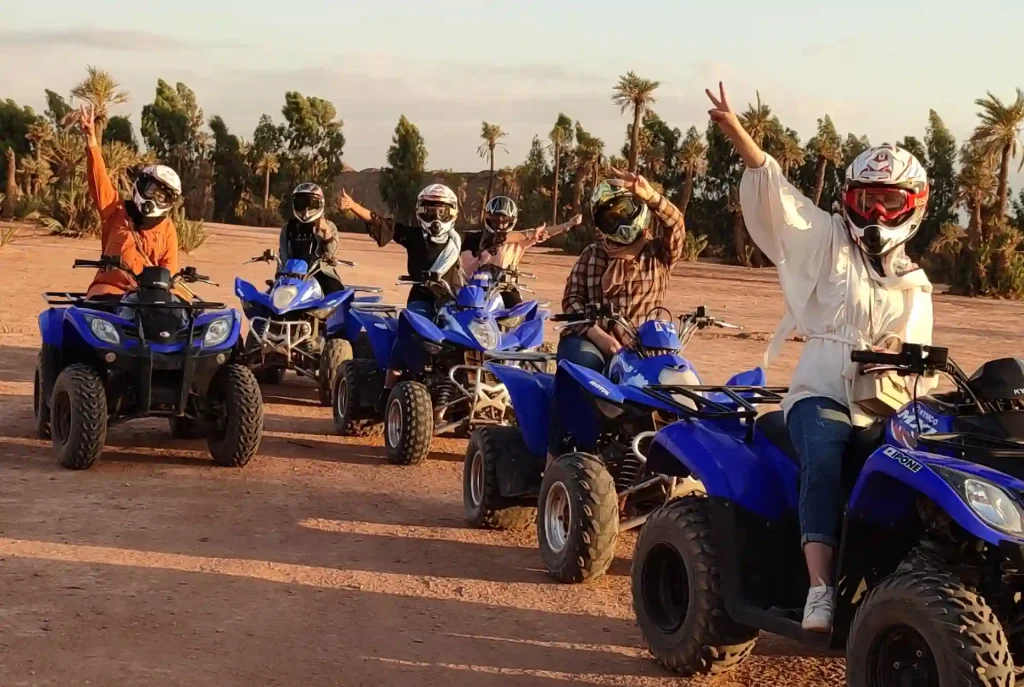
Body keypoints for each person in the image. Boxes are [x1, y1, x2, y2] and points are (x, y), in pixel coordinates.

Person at [707, 82, 935, 632]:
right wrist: (740, 136)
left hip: (884, 402)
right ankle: (819, 590)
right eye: (865, 199)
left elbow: (921, 358)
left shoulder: (916, 282)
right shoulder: (829, 240)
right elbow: (781, 200)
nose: (875, 212)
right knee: (825, 455)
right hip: (820, 389)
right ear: (848, 201)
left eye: (889, 202)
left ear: (913, 205)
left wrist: (900, 359)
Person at [548, 167, 687, 463]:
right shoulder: (592, 255)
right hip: (592, 339)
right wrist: (597, 333)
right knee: (579, 369)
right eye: (609, 217)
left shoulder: (658, 253)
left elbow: (676, 226)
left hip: (643, 347)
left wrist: (651, 197)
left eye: (623, 210)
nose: (619, 220)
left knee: (680, 385)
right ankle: (562, 454)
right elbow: (571, 300)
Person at [78, 104, 184, 302]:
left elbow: (169, 270)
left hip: (149, 295)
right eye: (152, 191)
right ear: (141, 185)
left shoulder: (167, 228)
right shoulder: (115, 210)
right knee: (96, 311)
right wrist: (91, 139)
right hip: (112, 288)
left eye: (162, 196)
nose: (154, 198)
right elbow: (99, 181)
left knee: (184, 308)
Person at [338, 183, 463, 320]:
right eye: (430, 212)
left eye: (442, 212)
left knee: (459, 327)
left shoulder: (460, 240)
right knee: (413, 325)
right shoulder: (413, 236)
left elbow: (482, 246)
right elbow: (380, 222)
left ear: (452, 213)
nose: (436, 218)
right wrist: (353, 205)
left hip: (451, 298)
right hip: (421, 297)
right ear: (421, 211)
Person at [460, 196, 583, 307]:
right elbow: (466, 265)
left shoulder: (519, 240)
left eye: (504, 220)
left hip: (505, 290)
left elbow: (545, 232)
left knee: (517, 311)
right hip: (476, 289)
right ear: (489, 218)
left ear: (511, 220)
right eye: (496, 219)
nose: (500, 224)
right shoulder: (474, 238)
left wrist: (568, 224)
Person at [278, 183, 344, 295]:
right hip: (292, 274)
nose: (305, 210)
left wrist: (326, 233)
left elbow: (333, 255)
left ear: (320, 204)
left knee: (335, 293)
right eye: (301, 204)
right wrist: (282, 274)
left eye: (311, 204)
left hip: (320, 273)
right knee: (272, 297)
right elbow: (283, 255)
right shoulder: (288, 228)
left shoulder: (329, 226)